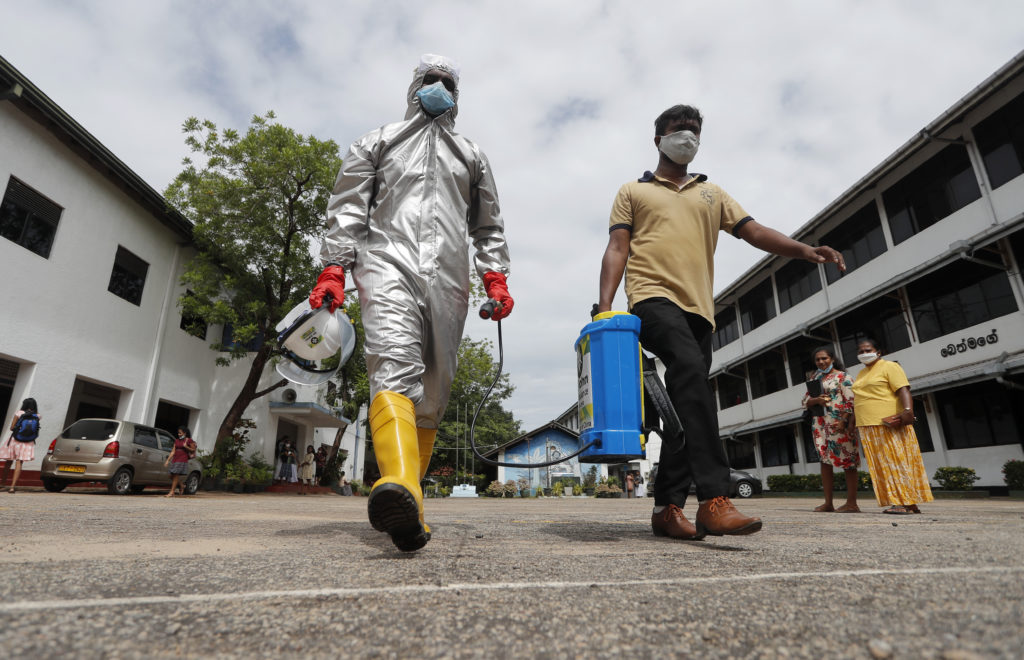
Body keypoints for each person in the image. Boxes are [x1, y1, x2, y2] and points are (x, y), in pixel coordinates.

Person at [598, 104, 846, 540]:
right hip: (652, 297)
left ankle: (667, 508)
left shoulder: (712, 195)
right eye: (679, 130)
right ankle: (715, 498)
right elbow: (618, 247)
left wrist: (804, 250)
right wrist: (604, 307)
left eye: (694, 131)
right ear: (658, 139)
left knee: (686, 399)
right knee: (691, 374)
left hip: (700, 310)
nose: (687, 137)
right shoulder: (632, 191)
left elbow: (754, 231)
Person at [308, 54, 513, 552]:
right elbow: (349, 207)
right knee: (393, 364)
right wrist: (335, 265)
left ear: (457, 97)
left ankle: (409, 509)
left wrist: (495, 276)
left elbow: (487, 225)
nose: (439, 87)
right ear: (413, 86)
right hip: (385, 262)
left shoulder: (472, 155)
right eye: (430, 79)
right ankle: (394, 485)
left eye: (448, 82)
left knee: (435, 389)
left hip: (449, 277)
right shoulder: (376, 141)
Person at [850, 337, 933, 514]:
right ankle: (906, 503)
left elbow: (903, 389)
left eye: (868, 350)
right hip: (867, 425)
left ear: (878, 352)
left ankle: (904, 502)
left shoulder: (890, 366)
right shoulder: (861, 373)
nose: (864, 354)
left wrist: (908, 409)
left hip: (886, 422)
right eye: (860, 352)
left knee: (895, 461)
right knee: (882, 465)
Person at [802, 346, 860, 513]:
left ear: (832, 359)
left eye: (824, 358)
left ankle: (852, 503)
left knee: (848, 461)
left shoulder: (843, 377)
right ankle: (828, 503)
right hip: (820, 425)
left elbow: (851, 401)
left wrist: (846, 421)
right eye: (818, 360)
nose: (821, 362)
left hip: (838, 423)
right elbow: (805, 401)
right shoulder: (815, 378)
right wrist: (816, 400)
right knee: (825, 461)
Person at [1, 398, 41, 493]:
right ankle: (12, 487)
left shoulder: (19, 413)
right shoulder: (38, 416)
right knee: (19, 463)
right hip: (28, 442)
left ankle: (2, 484)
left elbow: (12, 428)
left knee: (8, 462)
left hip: (16, 440)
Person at [163, 425, 196, 497]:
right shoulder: (176, 440)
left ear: (185, 433)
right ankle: (181, 485)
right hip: (175, 459)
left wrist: (186, 446)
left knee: (176, 475)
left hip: (182, 459)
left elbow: (193, 450)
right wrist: (168, 460)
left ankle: (172, 492)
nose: (179, 434)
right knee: (170, 475)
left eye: (180, 433)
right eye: (178, 433)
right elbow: (172, 451)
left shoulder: (189, 440)